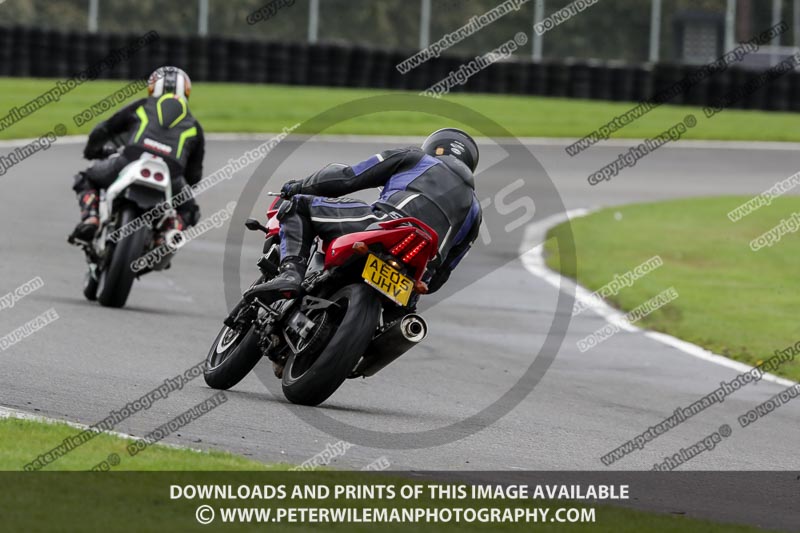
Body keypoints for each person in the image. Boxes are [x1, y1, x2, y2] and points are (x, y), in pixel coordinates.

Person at [246, 127, 482, 301]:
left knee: (298, 206)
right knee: (406, 312)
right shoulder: (475, 210)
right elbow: (445, 270)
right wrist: (423, 283)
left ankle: (290, 274)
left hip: (384, 223)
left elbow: (346, 178)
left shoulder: (416, 159)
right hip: (415, 274)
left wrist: (298, 186)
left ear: (432, 148)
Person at [69, 66, 205, 243]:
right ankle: (169, 233)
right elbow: (194, 174)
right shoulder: (194, 125)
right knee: (189, 211)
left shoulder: (142, 106)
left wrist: (92, 151)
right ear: (186, 91)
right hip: (171, 173)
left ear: (152, 88)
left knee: (86, 178)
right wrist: (183, 185)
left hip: (131, 160)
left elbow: (104, 129)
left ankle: (91, 218)